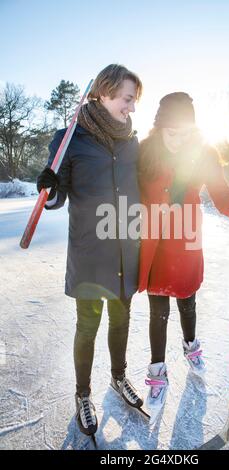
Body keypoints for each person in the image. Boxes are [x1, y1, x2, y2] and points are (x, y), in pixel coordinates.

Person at [138, 92, 229, 410]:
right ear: (159, 128)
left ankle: (190, 344)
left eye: (186, 133)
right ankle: (158, 370)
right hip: (154, 241)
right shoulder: (144, 153)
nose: (179, 140)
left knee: (187, 300)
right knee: (157, 311)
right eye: (172, 132)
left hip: (187, 242)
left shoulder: (203, 154)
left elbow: (223, 197)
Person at [36, 64, 143, 436]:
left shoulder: (132, 141)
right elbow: (56, 198)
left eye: (134, 100)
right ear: (105, 92)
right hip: (89, 250)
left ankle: (118, 377)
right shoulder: (70, 139)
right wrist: (48, 187)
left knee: (122, 319)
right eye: (127, 99)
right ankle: (83, 393)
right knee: (88, 326)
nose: (131, 107)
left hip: (125, 249)